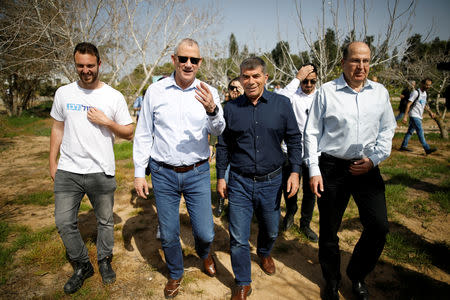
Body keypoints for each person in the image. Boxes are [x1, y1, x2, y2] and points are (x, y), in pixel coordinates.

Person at [133, 38, 225, 299]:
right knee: (170, 232)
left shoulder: (210, 92)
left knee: (206, 231)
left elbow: (219, 131)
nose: (188, 64)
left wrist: (212, 109)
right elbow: (143, 134)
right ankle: (175, 273)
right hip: (163, 174)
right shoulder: (155, 91)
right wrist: (140, 172)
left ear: (199, 63)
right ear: (173, 60)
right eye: (183, 59)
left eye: (193, 60)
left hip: (197, 173)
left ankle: (204, 253)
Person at [304, 41, 396, 300]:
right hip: (332, 168)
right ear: (343, 62)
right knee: (329, 230)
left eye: (366, 61)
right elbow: (311, 132)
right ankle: (331, 281)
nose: (361, 66)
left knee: (379, 227)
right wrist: (313, 169)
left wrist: (375, 158)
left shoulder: (380, 93)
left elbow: (388, 128)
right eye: (355, 60)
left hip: (367, 167)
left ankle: (357, 275)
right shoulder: (326, 92)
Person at [49, 42, 134, 294]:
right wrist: (52, 162)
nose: (85, 70)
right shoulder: (63, 93)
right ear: (75, 65)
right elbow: (57, 128)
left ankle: (105, 260)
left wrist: (106, 121)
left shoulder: (113, 96)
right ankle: (83, 265)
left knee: (105, 221)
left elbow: (129, 132)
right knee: (64, 222)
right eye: (80, 65)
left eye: (90, 65)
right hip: (68, 170)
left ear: (99, 64)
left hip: (100, 170)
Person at [216, 57, 301, 300]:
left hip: (273, 181)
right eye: (245, 76)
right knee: (239, 238)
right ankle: (242, 282)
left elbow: (294, 139)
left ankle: (264, 252)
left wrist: (294, 171)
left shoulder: (282, 105)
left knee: (272, 229)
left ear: (265, 77)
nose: (250, 81)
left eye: (255, 76)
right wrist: (221, 177)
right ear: (240, 79)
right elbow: (223, 146)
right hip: (240, 182)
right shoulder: (230, 109)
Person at [277, 64, 319, 242]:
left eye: (312, 81)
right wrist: (296, 79)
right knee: (290, 187)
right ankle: (290, 213)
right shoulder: (293, 96)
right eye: (305, 81)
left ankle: (306, 223)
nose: (308, 84)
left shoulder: (322, 96)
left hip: (314, 153)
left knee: (311, 191)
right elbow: (280, 98)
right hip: (291, 150)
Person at [214, 77, 244, 217]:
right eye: (232, 87)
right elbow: (215, 126)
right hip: (225, 150)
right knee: (223, 177)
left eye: (238, 87)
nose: (235, 90)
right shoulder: (222, 107)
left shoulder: (247, 107)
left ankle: (235, 206)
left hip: (241, 152)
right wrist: (211, 144)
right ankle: (220, 202)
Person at [400, 78, 437, 154]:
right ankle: (427, 148)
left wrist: (430, 112)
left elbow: (424, 105)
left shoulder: (425, 94)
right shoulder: (416, 93)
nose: (428, 86)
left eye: (429, 85)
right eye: (426, 85)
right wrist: (405, 116)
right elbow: (408, 104)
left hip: (419, 116)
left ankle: (403, 146)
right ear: (422, 84)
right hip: (414, 115)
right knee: (420, 131)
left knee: (410, 131)